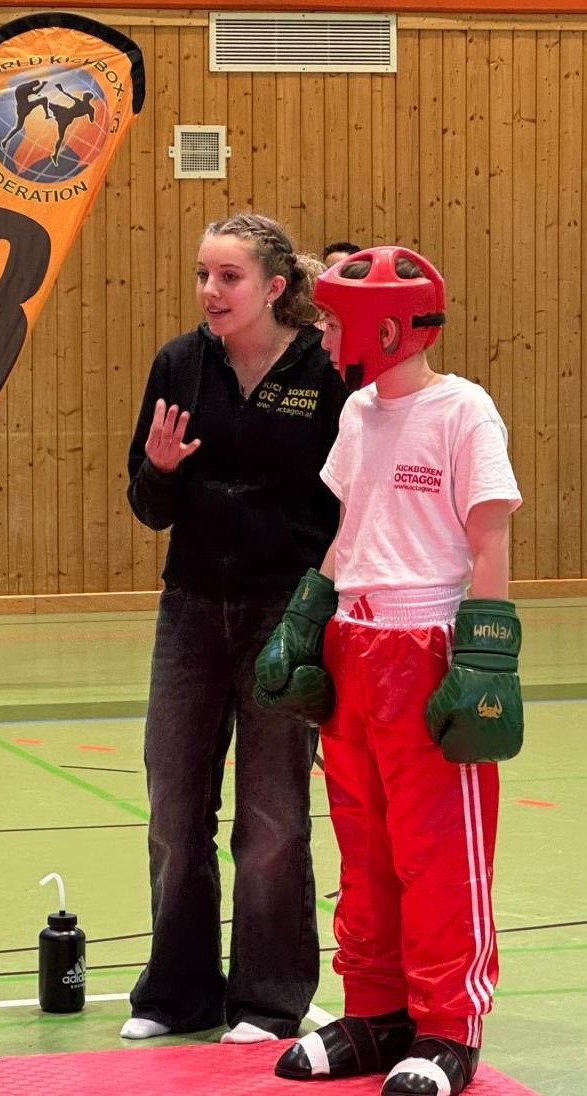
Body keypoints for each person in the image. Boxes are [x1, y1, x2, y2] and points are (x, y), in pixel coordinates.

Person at [255, 246, 523, 1095]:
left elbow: (489, 536)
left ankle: (448, 1028)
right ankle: (376, 1012)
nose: (326, 338)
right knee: (364, 845)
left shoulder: (463, 411)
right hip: (355, 643)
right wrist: (307, 618)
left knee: (436, 853)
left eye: (335, 323)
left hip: (429, 646)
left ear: (386, 329)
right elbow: (352, 527)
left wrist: (486, 656)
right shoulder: (358, 414)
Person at [122, 212, 348, 1046]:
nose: (210, 292)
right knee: (174, 806)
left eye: (228, 277)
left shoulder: (325, 372)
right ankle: (176, 993)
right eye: (202, 275)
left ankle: (269, 1000)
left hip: (283, 613)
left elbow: (348, 505)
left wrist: (319, 612)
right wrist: (160, 469)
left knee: (273, 815)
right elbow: (148, 507)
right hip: (189, 609)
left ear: (275, 288)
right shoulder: (179, 364)